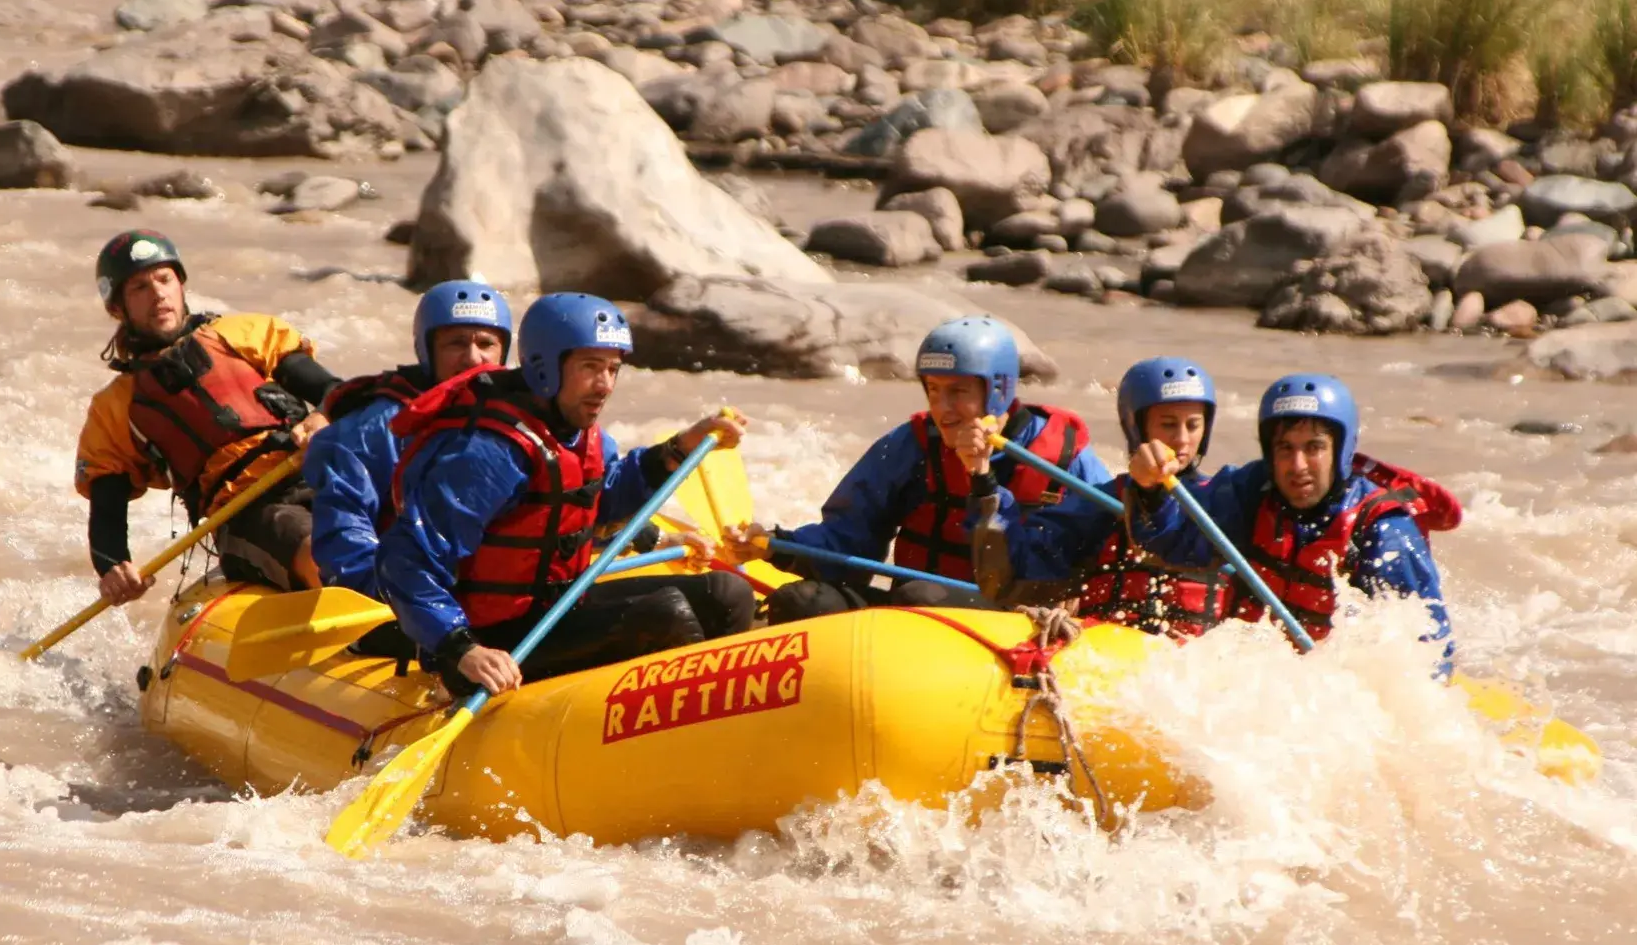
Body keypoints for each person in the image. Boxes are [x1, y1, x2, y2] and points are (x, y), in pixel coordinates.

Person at [375, 292, 756, 696]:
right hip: (485, 645)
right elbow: (405, 560)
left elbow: (600, 503)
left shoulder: (579, 433)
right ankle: (689, 721)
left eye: (613, 369)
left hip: (559, 611)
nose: (605, 385)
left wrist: (680, 446)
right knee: (663, 615)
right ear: (545, 368)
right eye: (591, 367)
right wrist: (461, 647)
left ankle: (721, 713)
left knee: (727, 594)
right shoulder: (486, 454)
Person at [725, 315, 1114, 625]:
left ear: (997, 390)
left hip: (1020, 618)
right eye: (933, 390)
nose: (942, 408)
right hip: (920, 619)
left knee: (919, 597)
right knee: (801, 602)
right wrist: (777, 544)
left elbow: (1108, 550)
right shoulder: (911, 446)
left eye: (958, 392)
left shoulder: (1062, 455)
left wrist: (982, 477)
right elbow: (849, 541)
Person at [1125, 372, 1460, 670]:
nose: (1297, 465)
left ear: (1340, 451)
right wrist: (1149, 488)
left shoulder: (1383, 530)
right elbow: (1173, 543)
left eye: (1313, 447)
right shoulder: (1252, 489)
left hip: (1331, 687)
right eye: (1285, 448)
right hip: (1248, 674)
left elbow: (1426, 654)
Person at [75, 229, 340, 602]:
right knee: (327, 554)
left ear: (180, 285)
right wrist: (112, 568)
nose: (158, 294)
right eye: (139, 288)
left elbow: (334, 392)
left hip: (319, 472)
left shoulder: (245, 334)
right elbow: (107, 510)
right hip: (247, 513)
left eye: (164, 279)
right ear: (117, 308)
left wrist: (324, 415)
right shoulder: (116, 408)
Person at [974, 357, 1233, 637]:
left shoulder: (1225, 501)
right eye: (1168, 424)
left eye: (1193, 425)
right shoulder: (1100, 503)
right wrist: (983, 479)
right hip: (1109, 648)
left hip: (1198, 655)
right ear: (1137, 428)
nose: (1182, 439)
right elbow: (1007, 576)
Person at [306, 279, 514, 603]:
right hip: (412, 597)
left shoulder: (530, 421)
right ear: (427, 351)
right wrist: (409, 604)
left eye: (486, 344)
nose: (473, 359)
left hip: (501, 593)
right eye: (456, 343)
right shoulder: (374, 430)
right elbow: (346, 539)